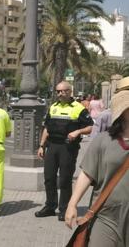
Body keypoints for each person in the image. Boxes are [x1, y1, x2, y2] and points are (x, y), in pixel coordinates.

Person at [65, 90, 129, 246]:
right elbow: (87, 174)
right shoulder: (103, 140)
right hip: (106, 216)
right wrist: (72, 204)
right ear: (122, 113)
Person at [35, 81, 93, 221]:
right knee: (49, 178)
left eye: (63, 91)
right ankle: (50, 206)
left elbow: (90, 127)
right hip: (52, 146)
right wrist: (42, 145)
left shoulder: (78, 108)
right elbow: (47, 128)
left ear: (70, 91)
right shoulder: (53, 107)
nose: (60, 93)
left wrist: (78, 131)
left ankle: (64, 209)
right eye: (58, 91)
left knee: (65, 179)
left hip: (68, 147)